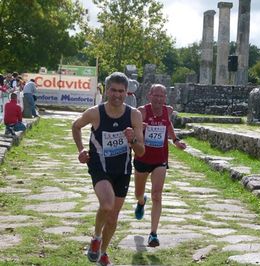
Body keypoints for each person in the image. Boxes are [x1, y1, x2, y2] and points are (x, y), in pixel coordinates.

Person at [72, 72, 145, 266]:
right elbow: (76, 126)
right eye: (113, 90)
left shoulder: (134, 115)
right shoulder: (95, 112)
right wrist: (81, 150)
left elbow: (141, 151)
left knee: (112, 218)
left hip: (122, 169)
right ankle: (96, 238)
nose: (117, 95)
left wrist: (132, 139)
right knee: (106, 204)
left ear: (127, 93)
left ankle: (103, 253)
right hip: (99, 166)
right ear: (107, 91)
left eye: (121, 91)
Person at [133, 84, 186, 247]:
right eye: (156, 95)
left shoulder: (168, 110)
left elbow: (168, 124)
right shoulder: (141, 111)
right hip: (142, 158)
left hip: (160, 159)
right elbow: (132, 130)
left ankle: (153, 234)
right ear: (149, 96)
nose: (159, 99)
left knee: (157, 194)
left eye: (162, 96)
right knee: (138, 193)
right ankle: (141, 202)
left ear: (165, 98)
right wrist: (141, 129)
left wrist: (176, 140)